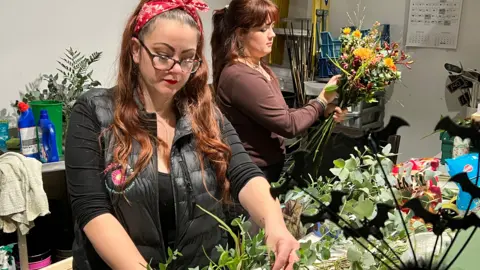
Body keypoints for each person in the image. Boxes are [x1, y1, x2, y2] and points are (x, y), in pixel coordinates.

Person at [65, 0, 299, 269]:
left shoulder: (203, 113)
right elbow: (93, 211)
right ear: (135, 50)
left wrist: (274, 222)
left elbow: (244, 172)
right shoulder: (95, 112)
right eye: (163, 55)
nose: (176, 69)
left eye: (187, 58)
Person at [211, 0, 347, 183]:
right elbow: (288, 125)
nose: (272, 35)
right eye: (263, 29)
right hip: (253, 175)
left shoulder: (260, 68)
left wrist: (323, 111)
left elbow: (281, 113)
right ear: (241, 34)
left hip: (270, 168)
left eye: (272, 27)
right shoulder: (240, 76)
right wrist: (320, 101)